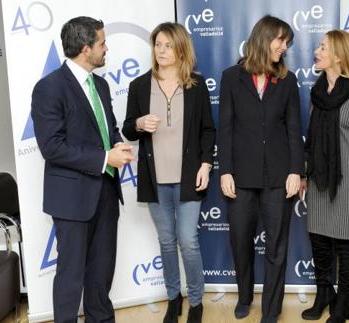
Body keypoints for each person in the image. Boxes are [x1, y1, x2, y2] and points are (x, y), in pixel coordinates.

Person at [31, 16, 135, 323]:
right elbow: (52, 146)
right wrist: (104, 159)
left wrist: (118, 146)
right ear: (85, 48)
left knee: (101, 273)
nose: (106, 48)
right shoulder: (49, 88)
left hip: (106, 191)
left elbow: (110, 129)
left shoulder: (100, 84)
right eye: (102, 43)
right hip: (72, 198)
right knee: (71, 276)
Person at [122, 22, 215, 323]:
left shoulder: (197, 86)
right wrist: (138, 124)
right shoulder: (138, 86)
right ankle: (174, 299)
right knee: (166, 241)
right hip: (155, 180)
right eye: (157, 45)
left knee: (187, 241)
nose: (160, 51)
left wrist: (205, 164)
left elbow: (207, 131)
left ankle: (197, 302)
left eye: (167, 45)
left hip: (189, 178)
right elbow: (127, 129)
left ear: (180, 49)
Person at [218, 15, 304, 323]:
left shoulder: (288, 80)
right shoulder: (231, 77)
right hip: (240, 176)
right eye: (280, 40)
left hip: (279, 177)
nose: (284, 47)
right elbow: (224, 128)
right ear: (263, 38)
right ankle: (244, 296)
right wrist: (225, 170)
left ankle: (271, 310)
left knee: (276, 248)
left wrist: (297, 170)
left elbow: (294, 128)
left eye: (287, 42)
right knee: (240, 241)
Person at [299, 30, 349, 323]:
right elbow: (312, 138)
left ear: (339, 56)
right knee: (319, 239)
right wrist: (306, 174)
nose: (316, 52)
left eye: (322, 48)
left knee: (345, 242)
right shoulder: (317, 92)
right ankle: (324, 293)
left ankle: (344, 298)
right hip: (320, 177)